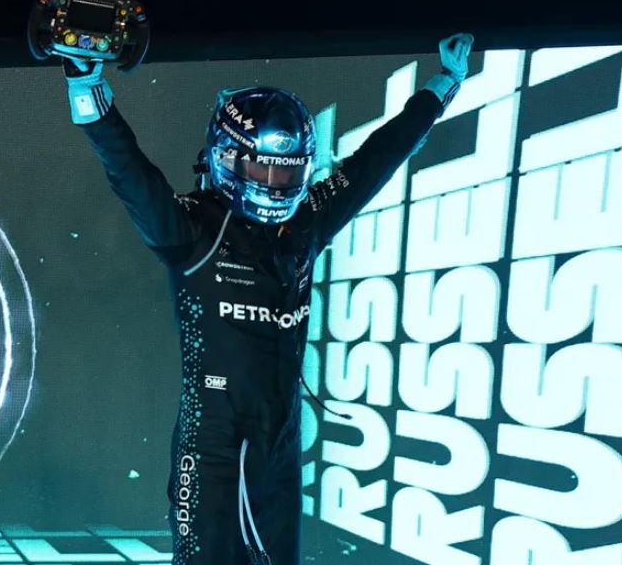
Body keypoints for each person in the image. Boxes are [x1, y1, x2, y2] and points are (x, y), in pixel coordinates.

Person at [61, 33, 474, 565]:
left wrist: (443, 85)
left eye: (290, 170)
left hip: (281, 445)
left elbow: (378, 158)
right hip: (212, 451)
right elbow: (126, 168)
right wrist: (86, 85)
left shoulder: (308, 221)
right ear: (227, 157)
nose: (277, 185)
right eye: (263, 168)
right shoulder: (191, 228)